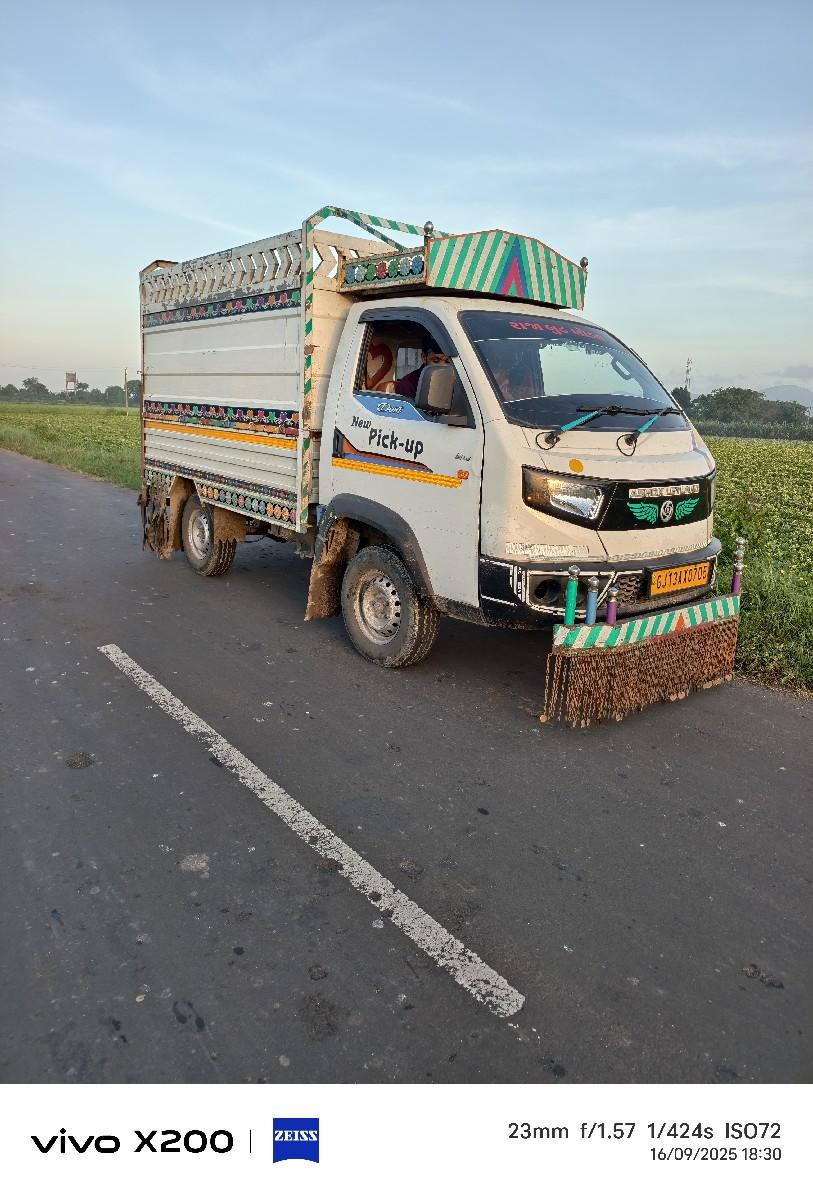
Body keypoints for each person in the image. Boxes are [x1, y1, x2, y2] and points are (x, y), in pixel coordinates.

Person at [394, 335, 449, 400]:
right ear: (424, 357)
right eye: (435, 361)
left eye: (448, 362)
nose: (443, 367)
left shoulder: (457, 381)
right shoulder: (408, 384)